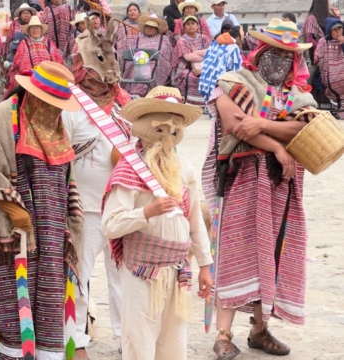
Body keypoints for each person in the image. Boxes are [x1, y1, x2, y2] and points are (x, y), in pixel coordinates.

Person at [202, 18, 318, 360]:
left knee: (273, 253)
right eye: (274, 53)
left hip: (280, 184)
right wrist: (279, 145)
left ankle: (259, 329)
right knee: (233, 251)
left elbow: (303, 128)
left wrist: (266, 125)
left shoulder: (298, 95)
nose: (279, 62)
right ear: (260, 51)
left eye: (287, 56)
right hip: (241, 179)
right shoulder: (232, 82)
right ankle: (224, 335)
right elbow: (237, 124)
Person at [0, 61, 83, 360]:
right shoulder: (3, 117)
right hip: (12, 237)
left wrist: (70, 223)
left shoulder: (56, 124)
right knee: (12, 313)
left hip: (52, 237)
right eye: (50, 102)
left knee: (49, 309)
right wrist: (12, 208)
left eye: (59, 104)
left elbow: (66, 178)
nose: (55, 109)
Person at [103, 86, 213, 360]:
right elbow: (110, 225)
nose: (170, 129)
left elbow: (195, 219)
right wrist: (147, 212)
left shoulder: (183, 166)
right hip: (142, 271)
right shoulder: (130, 168)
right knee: (139, 340)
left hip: (177, 271)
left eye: (175, 122)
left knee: (173, 343)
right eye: (163, 122)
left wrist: (205, 265)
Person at [60, 19, 128, 359]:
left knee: (122, 278)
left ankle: (127, 336)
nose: (101, 80)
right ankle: (75, 341)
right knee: (78, 275)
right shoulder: (69, 104)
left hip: (119, 204)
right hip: (82, 207)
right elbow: (59, 154)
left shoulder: (123, 104)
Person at [7, 16, 63, 90]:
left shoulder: (49, 42)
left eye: (37, 28)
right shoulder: (24, 43)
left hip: (48, 79)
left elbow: (58, 61)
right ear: (29, 31)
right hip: (29, 80)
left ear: (41, 30)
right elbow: (18, 63)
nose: (35, 30)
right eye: (32, 28)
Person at [125, 15, 173, 98]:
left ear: (156, 29)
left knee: (151, 71)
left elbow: (166, 54)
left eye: (152, 27)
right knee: (137, 72)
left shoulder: (163, 39)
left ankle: (147, 94)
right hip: (138, 65)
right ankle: (134, 95)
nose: (149, 28)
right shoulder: (138, 39)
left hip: (157, 65)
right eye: (147, 26)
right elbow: (131, 54)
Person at [198, 24, 243, 102]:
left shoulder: (214, 44)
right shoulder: (234, 47)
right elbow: (237, 70)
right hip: (219, 85)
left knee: (212, 109)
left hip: (206, 83)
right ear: (238, 38)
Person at [172, 16, 209, 106]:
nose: (190, 26)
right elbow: (188, 57)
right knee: (191, 76)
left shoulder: (204, 38)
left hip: (205, 65)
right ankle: (191, 101)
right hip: (186, 66)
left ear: (197, 26)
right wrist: (204, 55)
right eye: (188, 24)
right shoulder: (182, 41)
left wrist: (196, 52)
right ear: (184, 27)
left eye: (193, 23)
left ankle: (207, 101)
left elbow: (210, 51)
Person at [315, 18, 344, 113]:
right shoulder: (324, 42)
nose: (338, 32)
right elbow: (317, 58)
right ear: (329, 31)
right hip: (330, 75)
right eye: (335, 30)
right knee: (334, 81)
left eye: (340, 29)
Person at [42, 0, 76, 67]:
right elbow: (42, 24)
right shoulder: (48, 10)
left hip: (68, 42)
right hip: (52, 42)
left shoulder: (70, 9)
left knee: (67, 65)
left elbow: (75, 25)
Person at [116, 3, 141, 81]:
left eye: (134, 10)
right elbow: (119, 41)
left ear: (139, 13)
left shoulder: (144, 26)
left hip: (140, 54)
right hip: (127, 54)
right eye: (130, 10)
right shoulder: (122, 25)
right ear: (127, 14)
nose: (132, 12)